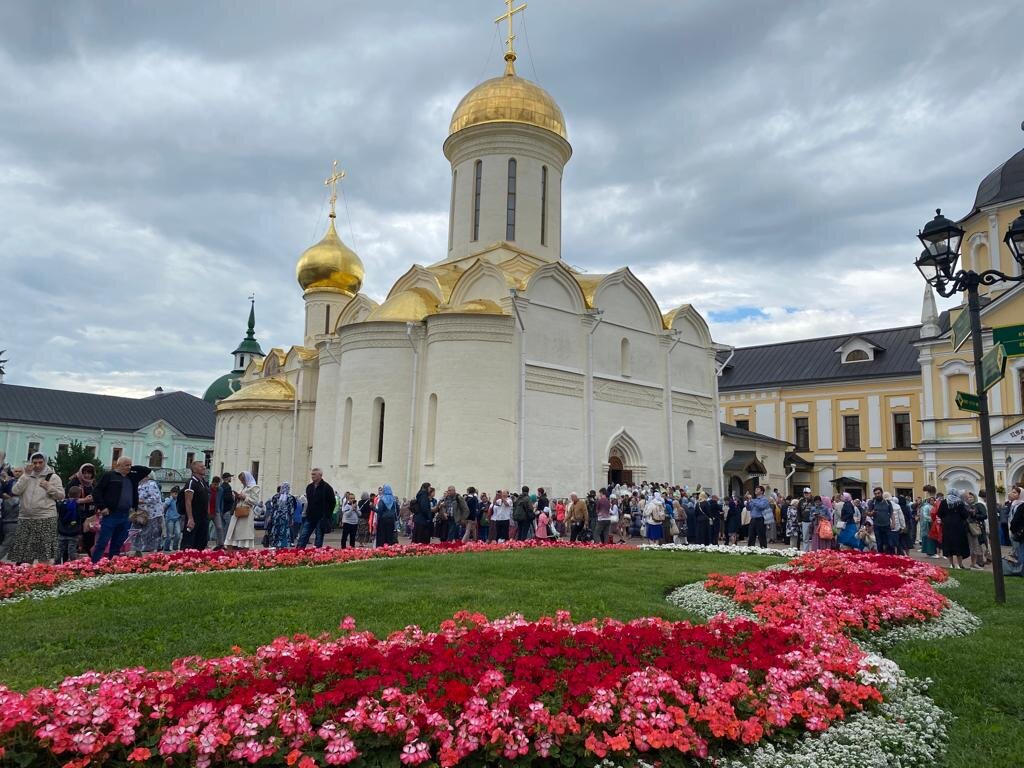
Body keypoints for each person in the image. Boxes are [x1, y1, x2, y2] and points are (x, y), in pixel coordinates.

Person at [6, 453, 64, 564]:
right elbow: (15, 491)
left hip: (45, 517)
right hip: (26, 517)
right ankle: (26, 578)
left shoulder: (53, 477)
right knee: (25, 554)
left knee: (44, 553)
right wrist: (25, 476)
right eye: (34, 462)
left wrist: (49, 487)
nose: (37, 465)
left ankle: (43, 578)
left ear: (45, 462)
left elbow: (61, 496)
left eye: (40, 462)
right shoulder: (26, 475)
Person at [90, 456, 137, 562]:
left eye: (130, 465)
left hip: (125, 515)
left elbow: (145, 471)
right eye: (126, 465)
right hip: (111, 514)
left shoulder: (131, 478)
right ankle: (94, 564)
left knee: (118, 543)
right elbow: (97, 492)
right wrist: (102, 507)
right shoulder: (109, 476)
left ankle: (113, 564)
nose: (129, 467)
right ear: (118, 465)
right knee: (103, 541)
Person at [297, 468, 335, 548]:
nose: (312, 476)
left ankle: (317, 554)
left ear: (320, 475)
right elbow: (309, 501)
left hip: (321, 517)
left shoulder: (327, 487)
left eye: (314, 474)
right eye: (312, 474)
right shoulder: (309, 487)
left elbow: (332, 502)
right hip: (310, 516)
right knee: (303, 536)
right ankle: (298, 552)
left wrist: (327, 515)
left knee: (319, 538)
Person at [65, 463, 97, 555]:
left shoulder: (93, 483)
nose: (87, 475)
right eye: (85, 473)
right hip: (76, 515)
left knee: (89, 538)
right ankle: (71, 559)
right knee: (75, 538)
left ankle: (90, 560)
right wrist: (84, 500)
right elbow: (68, 499)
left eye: (89, 473)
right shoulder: (74, 482)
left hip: (90, 515)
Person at [179, 460, 211, 551]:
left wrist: (208, 514)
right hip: (194, 516)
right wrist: (190, 518)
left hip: (203, 517)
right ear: (194, 469)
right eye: (201, 466)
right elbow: (188, 501)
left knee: (201, 541)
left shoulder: (203, 482)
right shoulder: (191, 482)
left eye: (204, 466)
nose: (204, 468)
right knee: (189, 541)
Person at [132, 466, 164, 554]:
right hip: (140, 514)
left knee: (149, 534)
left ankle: (147, 552)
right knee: (138, 533)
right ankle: (138, 551)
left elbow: (155, 498)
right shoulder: (139, 484)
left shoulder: (151, 484)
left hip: (151, 515)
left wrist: (141, 501)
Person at [225, 471, 259, 550]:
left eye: (243, 480)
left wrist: (244, 497)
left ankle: (243, 552)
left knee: (244, 534)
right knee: (232, 533)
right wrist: (236, 496)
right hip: (237, 512)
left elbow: (255, 501)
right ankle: (232, 552)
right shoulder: (242, 488)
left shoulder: (254, 487)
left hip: (246, 512)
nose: (242, 482)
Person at [937, 489, 971, 569]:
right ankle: (960, 564)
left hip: (947, 527)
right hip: (958, 527)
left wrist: (945, 519)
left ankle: (951, 564)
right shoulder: (959, 502)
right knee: (959, 545)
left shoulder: (944, 502)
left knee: (949, 545)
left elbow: (939, 513)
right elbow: (965, 515)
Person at [0, 466, 24, 561]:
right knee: (7, 542)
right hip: (10, 515)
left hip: (20, 515)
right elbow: (2, 492)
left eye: (19, 471)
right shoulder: (9, 482)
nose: (17, 473)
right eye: (16, 471)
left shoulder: (25, 482)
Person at [56, 485, 84, 563]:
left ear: (68, 494)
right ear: (79, 495)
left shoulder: (62, 504)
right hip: (74, 532)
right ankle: (73, 564)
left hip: (62, 531)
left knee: (59, 549)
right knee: (72, 550)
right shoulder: (79, 506)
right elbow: (81, 517)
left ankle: (56, 564)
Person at [867, 487, 894, 554]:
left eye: (878, 493)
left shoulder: (888, 503)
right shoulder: (872, 502)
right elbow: (868, 513)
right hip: (877, 526)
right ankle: (881, 557)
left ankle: (889, 557)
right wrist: (871, 513)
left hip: (887, 525)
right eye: (875, 494)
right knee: (879, 543)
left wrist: (893, 523)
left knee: (889, 543)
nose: (877, 495)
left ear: (882, 493)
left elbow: (891, 513)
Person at [1003, 486, 1023, 576]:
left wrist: (1014, 530)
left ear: (1021, 494)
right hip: (1014, 531)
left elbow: (1016, 520)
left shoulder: (1021, 505)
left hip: (1019, 532)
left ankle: (1021, 569)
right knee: (1017, 551)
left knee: (1021, 551)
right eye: (1012, 492)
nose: (1012, 493)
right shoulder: (1013, 504)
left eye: (1015, 492)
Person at [269, 483, 295, 548]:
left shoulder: (275, 496)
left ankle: (275, 544)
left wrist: (271, 516)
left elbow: (272, 507)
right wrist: (292, 519)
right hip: (285, 517)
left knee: (276, 530)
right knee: (284, 531)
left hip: (276, 517)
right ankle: (283, 545)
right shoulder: (290, 497)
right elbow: (291, 509)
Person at [215, 473, 236, 550]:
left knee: (222, 528)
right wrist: (233, 497)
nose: (231, 478)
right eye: (230, 477)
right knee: (227, 529)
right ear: (227, 478)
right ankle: (224, 544)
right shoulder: (227, 487)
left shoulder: (221, 487)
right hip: (227, 510)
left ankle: (220, 543)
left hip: (222, 510)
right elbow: (228, 499)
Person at [162, 487, 181, 551]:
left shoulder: (178, 500)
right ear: (171, 493)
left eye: (177, 494)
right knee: (169, 535)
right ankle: (166, 548)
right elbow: (164, 507)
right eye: (174, 493)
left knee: (178, 534)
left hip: (177, 519)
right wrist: (170, 499)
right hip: (169, 519)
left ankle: (175, 547)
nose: (176, 495)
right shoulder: (168, 499)